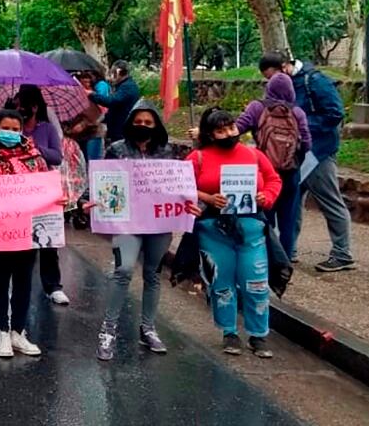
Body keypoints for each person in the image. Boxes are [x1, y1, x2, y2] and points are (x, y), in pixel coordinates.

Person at [0, 110, 63, 358]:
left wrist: (57, 198)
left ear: (21, 131)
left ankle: (18, 331)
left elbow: (46, 189)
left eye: (15, 129)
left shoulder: (35, 159)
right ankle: (2, 331)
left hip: (26, 231)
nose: (10, 133)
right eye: (5, 128)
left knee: (23, 281)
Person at [186, 107, 283, 359]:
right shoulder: (197, 158)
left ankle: (258, 334)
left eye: (231, 127)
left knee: (256, 284)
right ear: (210, 134)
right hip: (213, 231)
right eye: (221, 131)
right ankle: (229, 332)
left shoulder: (254, 154)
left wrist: (266, 197)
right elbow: (182, 186)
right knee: (222, 284)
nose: (229, 133)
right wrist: (207, 198)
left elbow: (274, 179)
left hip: (251, 230)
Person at [95, 100, 176, 361]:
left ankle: (148, 328)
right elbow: (102, 180)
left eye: (148, 122)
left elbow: (179, 185)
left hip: (158, 223)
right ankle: (108, 330)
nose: (142, 125)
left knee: (153, 274)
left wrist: (188, 206)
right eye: (138, 121)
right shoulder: (116, 149)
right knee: (123, 270)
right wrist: (90, 200)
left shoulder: (167, 151)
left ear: (156, 125)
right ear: (130, 123)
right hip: (126, 222)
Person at [259, 53, 354, 272]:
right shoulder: (285, 85)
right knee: (292, 204)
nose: (272, 82)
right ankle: (287, 250)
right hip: (293, 156)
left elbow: (335, 113)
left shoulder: (315, 81)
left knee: (330, 201)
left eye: (273, 76)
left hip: (318, 152)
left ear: (285, 66)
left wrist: (298, 126)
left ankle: (342, 253)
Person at [236, 71, 311, 259]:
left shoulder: (257, 108)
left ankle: (266, 259)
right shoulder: (297, 112)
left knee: (264, 218)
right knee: (288, 220)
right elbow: (307, 144)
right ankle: (284, 261)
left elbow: (236, 129)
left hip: (264, 173)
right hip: (290, 173)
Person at [14, 85, 70, 306]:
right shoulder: (12, 129)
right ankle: (19, 286)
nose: (20, 109)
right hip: (18, 190)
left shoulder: (46, 129)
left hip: (44, 190)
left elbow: (57, 157)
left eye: (23, 105)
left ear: (35, 107)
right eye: (17, 106)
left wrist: (36, 148)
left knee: (47, 241)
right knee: (20, 241)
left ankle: (53, 286)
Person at [89, 61, 142, 143]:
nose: (111, 77)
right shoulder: (124, 86)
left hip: (122, 130)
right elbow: (116, 107)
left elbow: (112, 101)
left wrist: (92, 95)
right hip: (119, 129)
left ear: (118, 72)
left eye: (112, 73)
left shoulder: (127, 87)